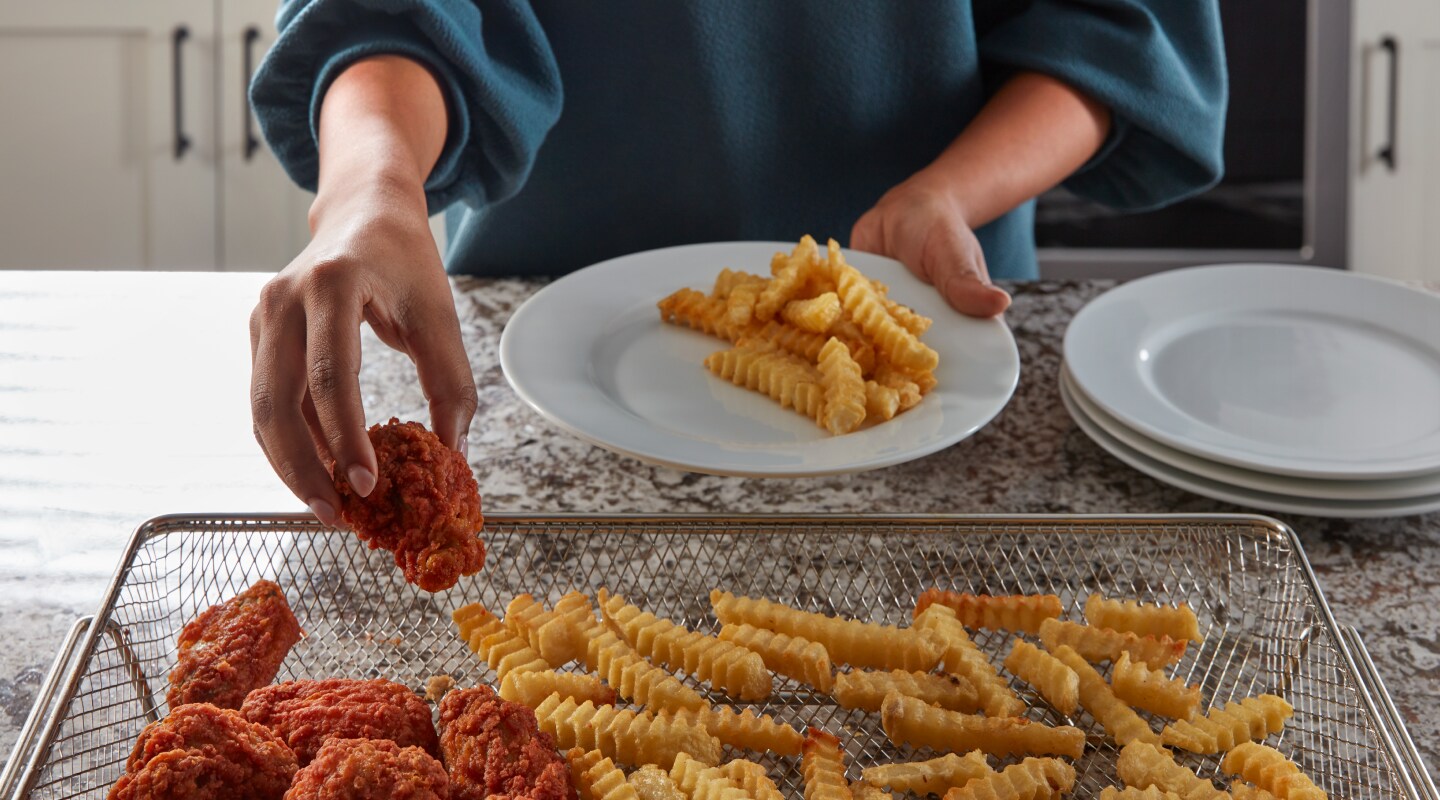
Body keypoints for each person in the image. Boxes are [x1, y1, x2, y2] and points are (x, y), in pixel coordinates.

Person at [247, 1, 1226, 524]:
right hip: (540, 378)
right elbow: (398, 11)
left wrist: (949, 195)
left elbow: (1119, 20)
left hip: (935, 368)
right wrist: (370, 187)